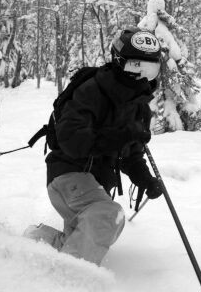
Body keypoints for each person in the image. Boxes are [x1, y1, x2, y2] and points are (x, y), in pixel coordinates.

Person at [24, 27, 164, 266]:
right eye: (135, 67)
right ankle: (68, 280)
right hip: (69, 173)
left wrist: (145, 179)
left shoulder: (138, 106)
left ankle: (32, 242)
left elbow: (131, 154)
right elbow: (72, 140)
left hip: (97, 182)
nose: (141, 76)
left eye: (150, 69)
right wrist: (122, 135)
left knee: (79, 239)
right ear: (119, 62)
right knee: (107, 216)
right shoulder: (93, 90)